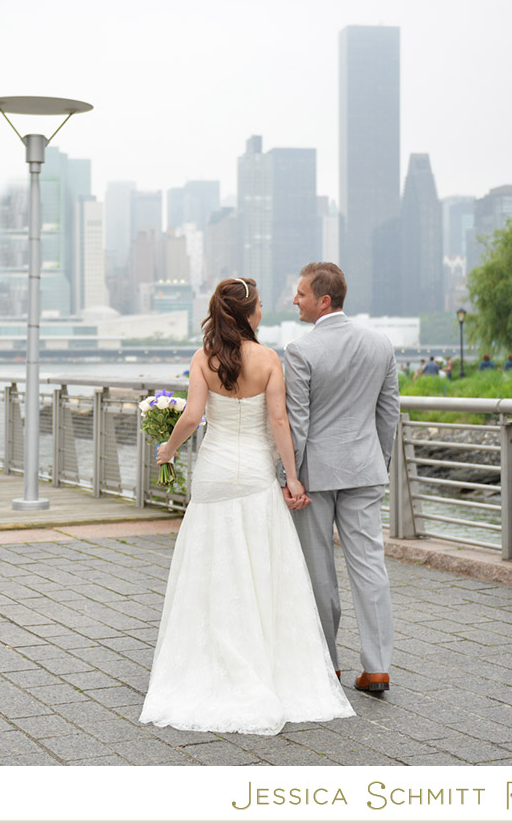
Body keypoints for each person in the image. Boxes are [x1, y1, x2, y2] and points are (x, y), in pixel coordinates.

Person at [139, 277, 354, 735]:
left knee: (212, 563)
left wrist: (168, 449)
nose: (262, 314)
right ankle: (270, 664)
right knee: (262, 563)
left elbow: (193, 417)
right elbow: (279, 421)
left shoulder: (204, 359)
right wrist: (292, 477)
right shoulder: (269, 359)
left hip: (215, 473)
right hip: (256, 473)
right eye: (258, 308)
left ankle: (212, 660)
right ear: (249, 314)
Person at [280, 262, 401, 694]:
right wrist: (378, 462)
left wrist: (288, 476)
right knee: (370, 566)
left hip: (316, 476)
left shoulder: (300, 351)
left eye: (301, 294)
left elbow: (297, 424)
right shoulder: (380, 345)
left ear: (323, 300)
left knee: (320, 572)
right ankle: (377, 667)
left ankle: (327, 664)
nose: (295, 300)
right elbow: (389, 414)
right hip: (366, 470)